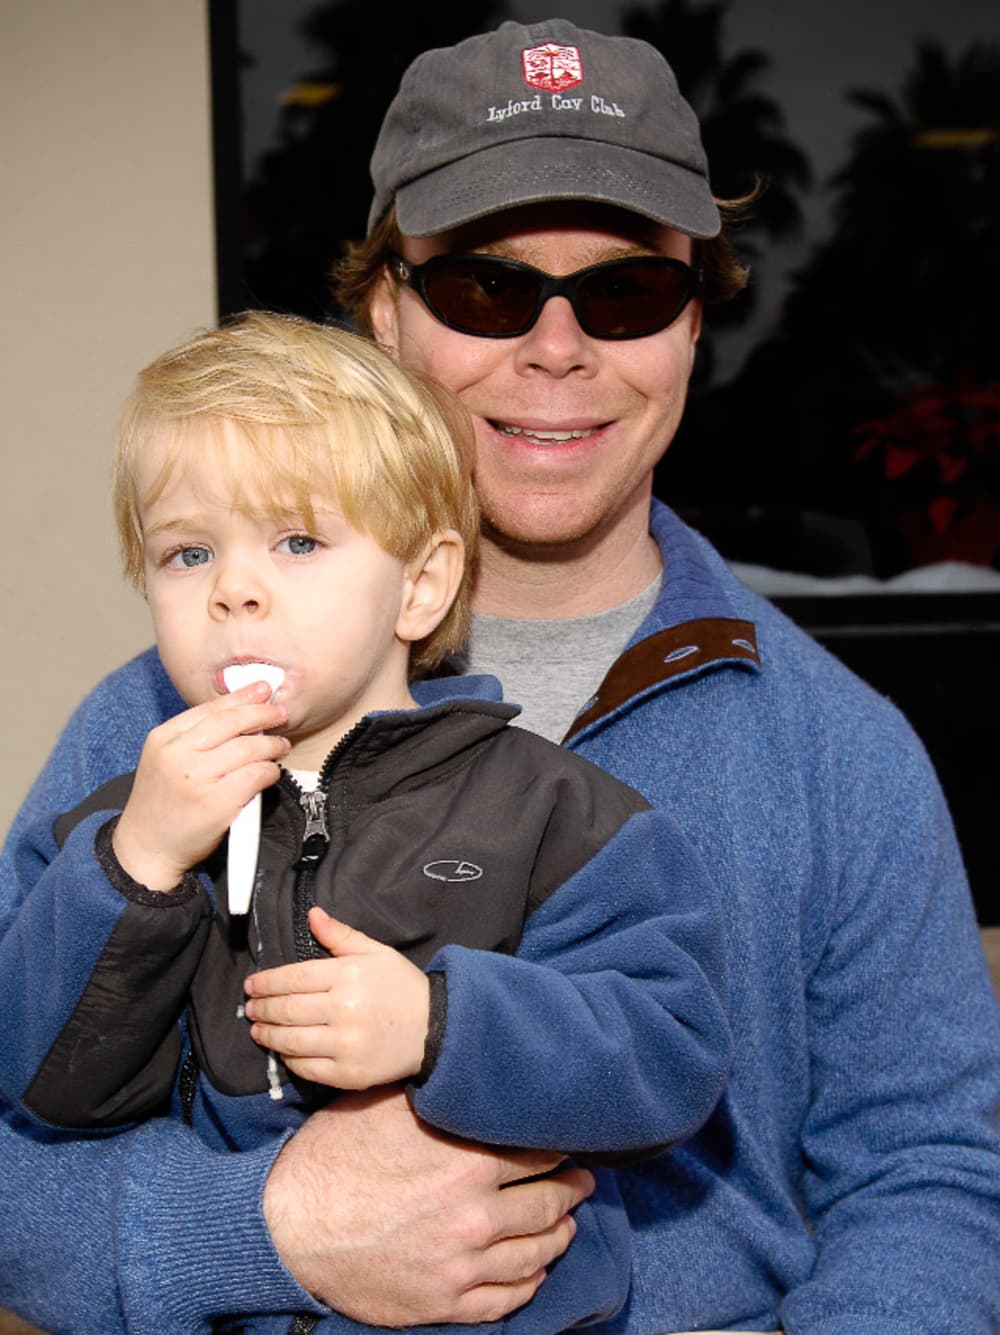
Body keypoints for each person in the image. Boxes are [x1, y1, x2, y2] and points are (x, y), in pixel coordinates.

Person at [2, 15, 999, 1335]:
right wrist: (269, 1230)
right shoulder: (155, 727)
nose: (557, 347)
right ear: (383, 310)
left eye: (627, 292)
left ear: (694, 321)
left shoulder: (837, 748)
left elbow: (932, 1183)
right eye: (486, 287)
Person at [0, 311, 731, 1333]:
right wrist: (138, 868)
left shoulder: (556, 814)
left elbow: (672, 1056)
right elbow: (40, 1090)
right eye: (187, 552)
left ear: (421, 587)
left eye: (297, 541)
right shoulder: (116, 831)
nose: (233, 591)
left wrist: (439, 1023)